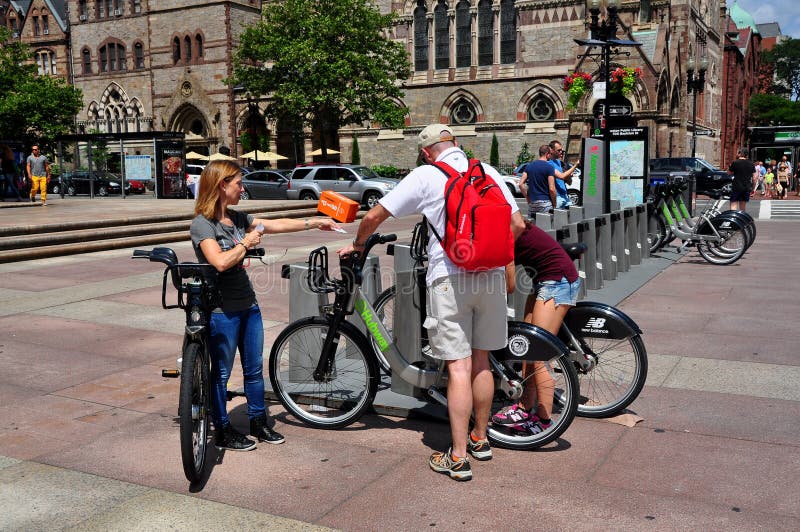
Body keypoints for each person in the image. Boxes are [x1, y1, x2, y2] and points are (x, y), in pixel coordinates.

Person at [339, 124, 525, 481]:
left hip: (449, 278)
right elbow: (516, 224)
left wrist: (360, 244)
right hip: (491, 277)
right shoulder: (485, 171)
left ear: (427, 151)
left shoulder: (426, 174)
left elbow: (376, 215)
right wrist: (489, 254)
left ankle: (457, 458)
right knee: (482, 361)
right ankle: (480, 439)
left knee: (458, 366)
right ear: (455, 144)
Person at [190, 160, 340, 451]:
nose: (242, 187)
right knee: (221, 373)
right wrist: (245, 244)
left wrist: (315, 220)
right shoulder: (202, 224)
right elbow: (220, 262)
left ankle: (258, 422)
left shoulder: (236, 218)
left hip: (248, 305)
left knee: (254, 369)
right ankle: (222, 429)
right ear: (222, 185)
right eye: (237, 183)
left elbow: (275, 224)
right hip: (222, 310)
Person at [491, 222, 581, 434]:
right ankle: (524, 408)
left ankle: (543, 421)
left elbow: (509, 285)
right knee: (527, 347)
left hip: (557, 283)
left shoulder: (504, 232)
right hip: (545, 281)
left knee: (538, 354)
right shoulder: (506, 222)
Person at [519, 144, 556, 216]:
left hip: (533, 202)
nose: (551, 156)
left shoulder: (529, 166)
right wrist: (554, 204)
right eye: (550, 154)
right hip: (545, 202)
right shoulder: (549, 167)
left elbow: (520, 184)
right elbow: (552, 189)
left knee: (533, 226)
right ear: (547, 154)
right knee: (546, 226)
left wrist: (528, 198)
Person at [548, 140, 580, 209]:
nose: (561, 153)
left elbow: (569, 182)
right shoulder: (549, 163)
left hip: (565, 195)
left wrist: (568, 176)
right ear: (552, 150)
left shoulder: (559, 163)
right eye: (558, 150)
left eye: (562, 151)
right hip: (557, 197)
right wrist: (575, 166)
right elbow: (561, 177)